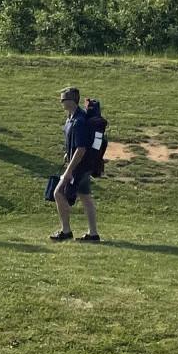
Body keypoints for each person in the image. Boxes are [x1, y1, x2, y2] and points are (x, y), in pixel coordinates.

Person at [49, 86, 101, 243]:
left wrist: (69, 171)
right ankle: (93, 234)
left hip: (78, 166)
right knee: (85, 197)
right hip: (82, 166)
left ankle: (66, 231)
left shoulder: (79, 121)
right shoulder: (71, 118)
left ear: (71, 101)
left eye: (62, 100)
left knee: (58, 193)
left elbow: (81, 149)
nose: (61, 103)